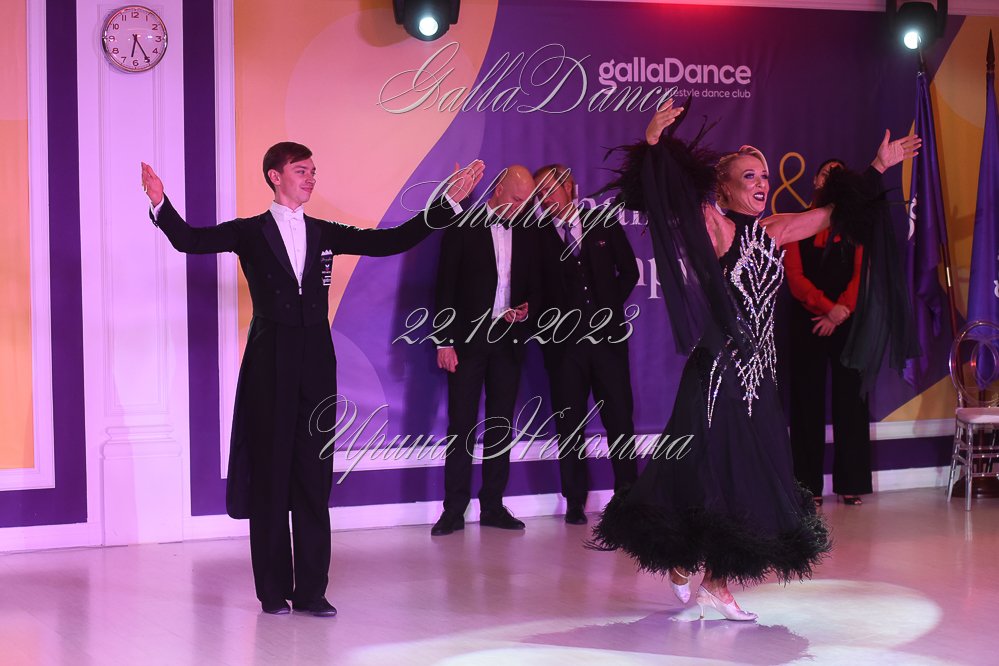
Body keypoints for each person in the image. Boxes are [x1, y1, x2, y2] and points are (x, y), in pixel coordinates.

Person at [589, 100, 920, 621]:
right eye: (750, 176)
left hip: (760, 376)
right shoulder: (714, 224)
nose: (762, 183)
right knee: (703, 471)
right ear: (723, 188)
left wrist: (878, 166)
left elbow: (835, 213)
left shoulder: (776, 229)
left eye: (765, 176)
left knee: (756, 478)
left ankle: (717, 582)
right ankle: (681, 558)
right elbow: (666, 196)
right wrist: (653, 142)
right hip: (716, 374)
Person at [140, 143, 482, 615]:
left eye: (313, 171)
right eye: (301, 170)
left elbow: (390, 241)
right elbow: (189, 240)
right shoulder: (249, 232)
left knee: (313, 476)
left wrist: (446, 204)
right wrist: (160, 202)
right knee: (270, 478)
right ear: (274, 176)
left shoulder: (324, 231)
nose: (311, 178)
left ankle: (312, 591)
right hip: (269, 362)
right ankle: (272, 591)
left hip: (317, 362)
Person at [431, 165, 539, 536]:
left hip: (509, 341)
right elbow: (444, 286)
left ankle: (492, 505)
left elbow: (533, 284)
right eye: (516, 199)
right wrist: (444, 340)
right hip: (467, 342)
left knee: (500, 426)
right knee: (461, 425)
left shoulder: (527, 231)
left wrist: (527, 308)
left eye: (526, 201)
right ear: (498, 189)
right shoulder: (463, 225)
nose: (520, 207)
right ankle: (453, 510)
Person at [532, 164, 639, 526]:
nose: (546, 199)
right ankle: (575, 501)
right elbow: (535, 290)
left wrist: (608, 310)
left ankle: (628, 498)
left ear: (570, 188)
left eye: (551, 190)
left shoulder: (603, 223)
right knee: (569, 424)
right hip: (564, 349)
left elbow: (630, 272)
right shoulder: (538, 236)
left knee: (619, 419)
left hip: (608, 343)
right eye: (540, 194)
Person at [784, 159, 871, 507]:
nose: (831, 178)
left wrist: (840, 312)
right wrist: (825, 308)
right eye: (826, 172)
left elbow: (861, 274)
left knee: (852, 400)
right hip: (807, 321)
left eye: (838, 173)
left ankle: (852, 482)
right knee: (806, 402)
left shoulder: (856, 226)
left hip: (847, 321)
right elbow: (795, 278)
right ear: (816, 180)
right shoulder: (797, 222)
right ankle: (808, 486)